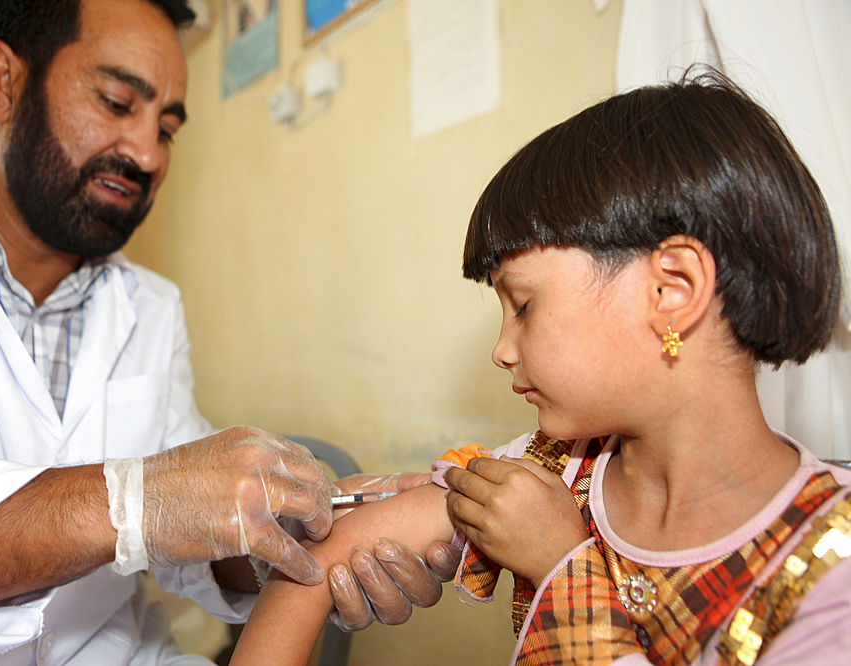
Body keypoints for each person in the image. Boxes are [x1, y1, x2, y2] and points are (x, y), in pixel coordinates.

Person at [0, 0, 458, 662]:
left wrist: (296, 528)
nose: (146, 154)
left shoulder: (152, 306)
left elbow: (191, 550)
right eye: (116, 102)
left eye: (166, 128)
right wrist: (132, 501)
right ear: (5, 82)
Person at [226, 72, 851, 666]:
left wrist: (561, 564)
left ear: (673, 290)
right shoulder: (554, 471)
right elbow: (313, 566)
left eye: (523, 305)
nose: (501, 349)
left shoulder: (830, 567)